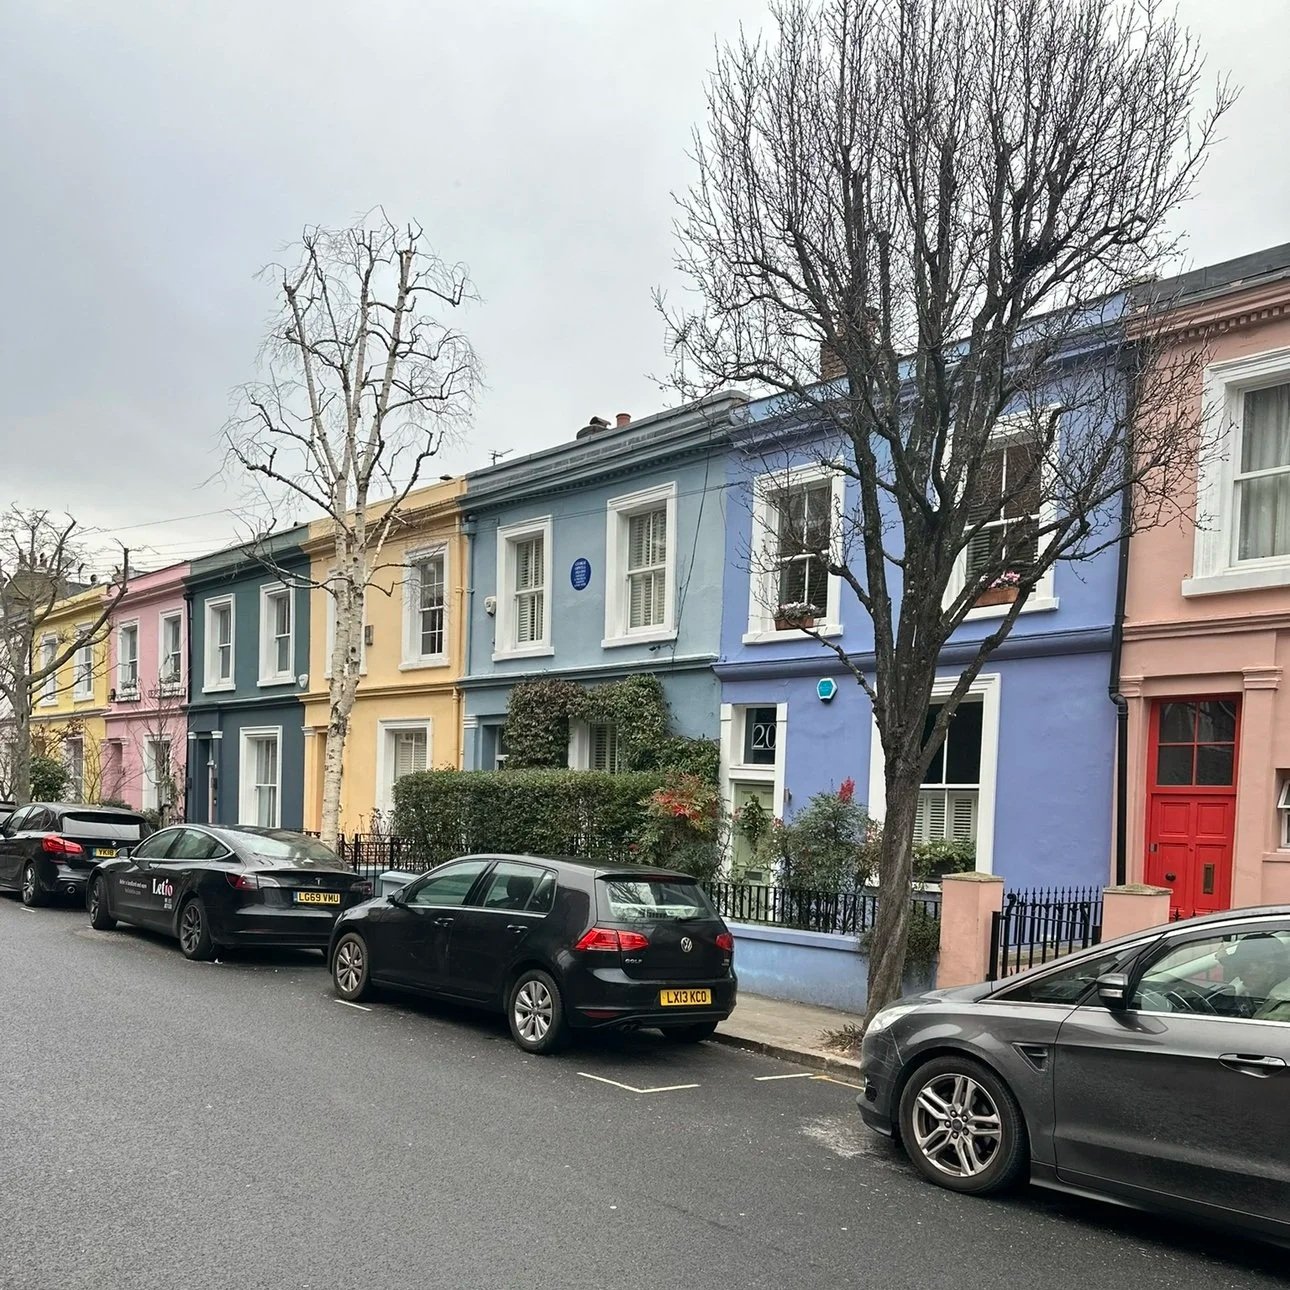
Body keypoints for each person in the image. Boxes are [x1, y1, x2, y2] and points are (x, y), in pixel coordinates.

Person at [1222, 934, 1290, 1020]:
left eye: (1243, 968)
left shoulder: (1279, 1013)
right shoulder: (1277, 994)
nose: (1239, 976)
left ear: (1269, 968)